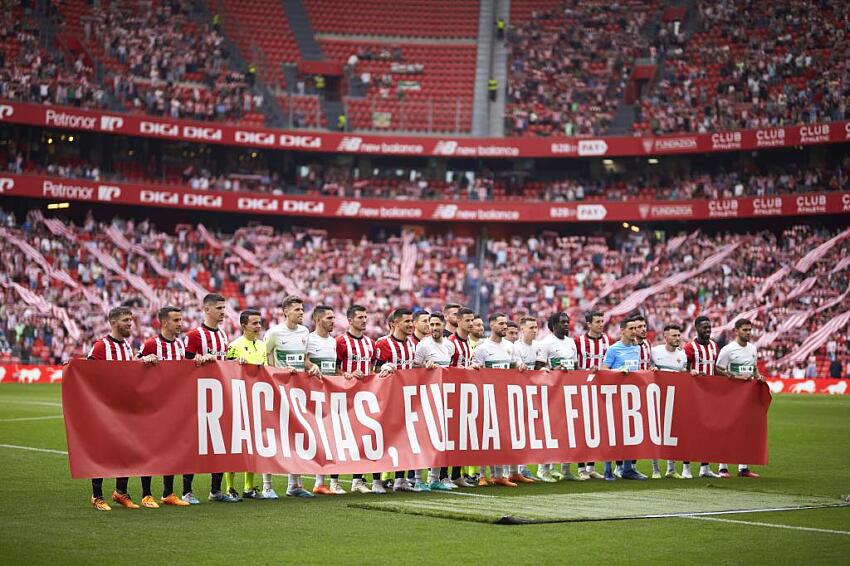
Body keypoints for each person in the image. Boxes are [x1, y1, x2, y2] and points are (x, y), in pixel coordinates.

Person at [87, 306, 158, 511]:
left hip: (125, 409)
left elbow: (128, 372)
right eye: (126, 320)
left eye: (131, 320)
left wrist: (142, 361)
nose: (130, 324)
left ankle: (120, 492)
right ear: (113, 322)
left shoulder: (127, 346)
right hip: (105, 409)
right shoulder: (101, 347)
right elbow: (87, 373)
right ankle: (96, 496)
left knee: (125, 450)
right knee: (102, 452)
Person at [183, 293, 239, 503]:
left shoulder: (223, 335)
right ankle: (187, 491)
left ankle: (216, 491)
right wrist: (196, 360)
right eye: (219, 308)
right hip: (198, 397)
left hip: (219, 396)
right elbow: (185, 365)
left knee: (220, 443)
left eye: (224, 308)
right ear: (206, 309)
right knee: (194, 444)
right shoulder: (194, 335)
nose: (223, 312)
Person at [265, 295, 321, 498]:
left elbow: (304, 359)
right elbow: (266, 363)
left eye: (302, 309)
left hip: (299, 392)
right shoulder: (273, 334)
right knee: (273, 437)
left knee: (297, 436)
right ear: (285, 311)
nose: (301, 313)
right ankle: (267, 486)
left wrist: (312, 366)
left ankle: (294, 485)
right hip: (278, 391)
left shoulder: (305, 332)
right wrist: (280, 373)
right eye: (297, 309)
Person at [138, 306, 191, 506]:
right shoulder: (151, 344)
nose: (180, 323)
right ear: (165, 322)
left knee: (172, 450)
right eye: (176, 320)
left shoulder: (180, 345)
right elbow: (132, 367)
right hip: (153, 406)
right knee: (150, 450)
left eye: (181, 319)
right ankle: (146, 494)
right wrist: (143, 360)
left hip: (174, 407)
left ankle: (168, 493)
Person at [472, 313, 527, 487]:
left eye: (505, 323)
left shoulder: (510, 347)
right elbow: (474, 370)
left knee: (503, 437)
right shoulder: (482, 348)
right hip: (486, 398)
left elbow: (514, 364)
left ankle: (500, 475)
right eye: (501, 323)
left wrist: (519, 365)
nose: (505, 326)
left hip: (504, 398)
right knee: (485, 437)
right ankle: (482, 475)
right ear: (492, 325)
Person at [336, 305, 384, 494]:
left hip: (365, 397)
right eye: (360, 317)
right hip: (345, 396)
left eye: (366, 317)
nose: (364, 320)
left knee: (365, 438)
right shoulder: (340, 342)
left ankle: (358, 480)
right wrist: (347, 374)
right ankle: (335, 480)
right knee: (343, 438)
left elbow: (373, 368)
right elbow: (335, 368)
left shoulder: (371, 343)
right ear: (350, 320)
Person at [374, 308, 423, 492]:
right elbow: (373, 371)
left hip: (407, 400)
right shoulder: (383, 344)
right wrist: (383, 369)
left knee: (406, 438)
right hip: (386, 400)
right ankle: (377, 481)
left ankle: (400, 480)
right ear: (395, 323)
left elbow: (413, 369)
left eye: (412, 321)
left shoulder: (412, 344)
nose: (411, 324)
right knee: (382, 439)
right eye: (407, 321)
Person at [224, 309, 267, 500]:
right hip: (236, 400)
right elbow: (224, 371)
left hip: (255, 401)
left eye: (259, 323)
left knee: (252, 444)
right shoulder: (234, 346)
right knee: (235, 444)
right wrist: (234, 364)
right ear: (244, 325)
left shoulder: (263, 345)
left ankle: (249, 488)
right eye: (254, 323)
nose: (258, 326)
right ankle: (230, 488)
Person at [413, 312, 458, 491]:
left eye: (437, 325)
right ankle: (417, 480)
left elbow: (451, 369)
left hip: (444, 396)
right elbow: (414, 367)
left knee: (441, 437)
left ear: (443, 325)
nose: (434, 328)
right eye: (431, 325)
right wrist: (425, 367)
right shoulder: (423, 346)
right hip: (426, 396)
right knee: (423, 437)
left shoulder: (449, 346)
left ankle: (434, 479)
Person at [307, 305, 347, 495]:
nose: (333, 321)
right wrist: (311, 367)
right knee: (310, 438)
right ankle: (294, 484)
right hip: (312, 395)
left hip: (330, 396)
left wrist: (344, 375)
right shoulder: (308, 339)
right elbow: (303, 362)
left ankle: (320, 482)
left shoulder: (333, 342)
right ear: (318, 320)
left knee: (328, 438)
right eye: (329, 318)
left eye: (333, 317)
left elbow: (334, 368)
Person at [715, 318, 762, 479]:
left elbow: (754, 367)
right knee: (727, 430)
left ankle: (743, 467)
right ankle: (722, 467)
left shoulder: (753, 349)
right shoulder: (728, 350)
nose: (748, 333)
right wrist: (733, 375)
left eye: (750, 330)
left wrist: (758, 376)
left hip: (747, 396)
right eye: (745, 330)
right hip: (731, 395)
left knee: (746, 431)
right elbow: (718, 369)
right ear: (736, 331)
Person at [602, 317, 647, 480]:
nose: (635, 332)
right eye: (632, 329)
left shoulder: (636, 349)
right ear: (622, 331)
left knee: (630, 433)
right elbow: (604, 370)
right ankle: (607, 469)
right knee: (613, 433)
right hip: (614, 397)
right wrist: (619, 371)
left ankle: (628, 469)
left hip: (631, 398)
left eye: (636, 329)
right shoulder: (613, 349)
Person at [535, 311, 579, 482]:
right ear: (554, 326)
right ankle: (542, 468)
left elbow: (575, 366)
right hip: (552, 393)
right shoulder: (546, 344)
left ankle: (564, 468)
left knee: (567, 431)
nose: (567, 324)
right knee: (550, 431)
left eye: (568, 321)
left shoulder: (571, 343)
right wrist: (554, 371)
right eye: (563, 322)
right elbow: (538, 368)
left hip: (568, 391)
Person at [682, 316, 722, 479]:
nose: (708, 330)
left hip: (710, 395)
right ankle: (686, 467)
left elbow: (716, 368)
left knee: (708, 432)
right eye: (704, 327)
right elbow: (683, 369)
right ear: (697, 328)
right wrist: (691, 374)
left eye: (709, 327)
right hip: (693, 394)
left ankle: (705, 467)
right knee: (691, 432)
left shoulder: (714, 346)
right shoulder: (690, 348)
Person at [650, 323, 688, 479]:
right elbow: (647, 368)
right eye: (674, 335)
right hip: (657, 398)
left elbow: (683, 375)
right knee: (655, 433)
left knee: (672, 433)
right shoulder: (655, 351)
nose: (677, 338)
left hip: (674, 399)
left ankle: (671, 469)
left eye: (679, 335)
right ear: (665, 336)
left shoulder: (682, 355)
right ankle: (655, 469)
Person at [574, 310, 609, 480]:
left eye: (602, 321)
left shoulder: (606, 340)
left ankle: (591, 466)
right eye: (597, 321)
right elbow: (574, 366)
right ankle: (581, 469)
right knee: (582, 429)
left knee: (596, 428)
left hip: (600, 389)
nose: (601, 324)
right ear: (588, 324)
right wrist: (586, 371)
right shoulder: (579, 342)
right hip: (583, 388)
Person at [446, 306, 476, 486]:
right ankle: (442, 475)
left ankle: (456, 475)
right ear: (458, 321)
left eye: (472, 320)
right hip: (449, 394)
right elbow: (445, 369)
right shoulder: (450, 343)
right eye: (467, 320)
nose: (471, 323)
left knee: (460, 436)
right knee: (448, 436)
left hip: (463, 394)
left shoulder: (466, 342)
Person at [512, 316, 542, 482]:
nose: (534, 330)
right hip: (518, 394)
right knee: (518, 431)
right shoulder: (516, 347)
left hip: (533, 393)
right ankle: (517, 468)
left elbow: (540, 367)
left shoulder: (538, 346)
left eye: (536, 327)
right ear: (522, 329)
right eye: (531, 327)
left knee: (530, 431)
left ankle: (521, 467)